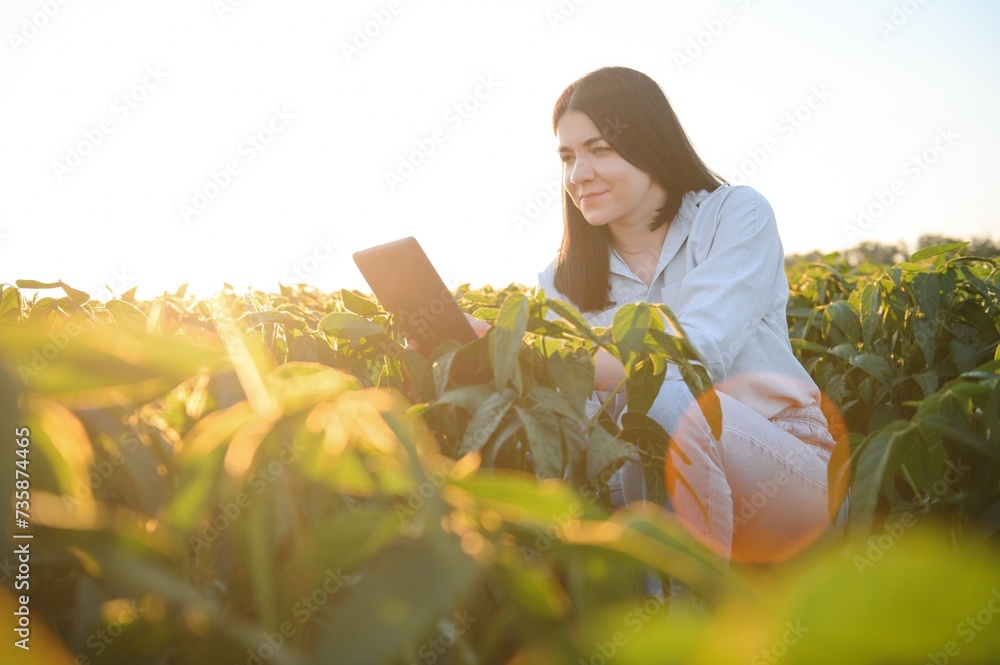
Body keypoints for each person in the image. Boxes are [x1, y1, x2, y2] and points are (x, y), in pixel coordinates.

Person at [535, 66, 839, 565]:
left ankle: (681, 621)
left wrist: (537, 357)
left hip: (784, 463)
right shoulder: (560, 279)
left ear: (650, 144)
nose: (578, 174)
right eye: (568, 157)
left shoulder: (734, 214)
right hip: (636, 484)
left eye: (599, 150)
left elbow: (696, 351)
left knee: (662, 390)